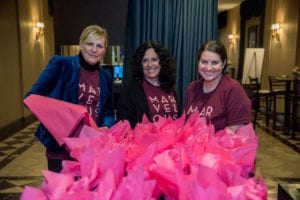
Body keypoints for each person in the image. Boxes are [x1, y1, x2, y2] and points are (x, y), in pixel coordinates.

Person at [24, 25, 115, 172]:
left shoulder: (106, 76)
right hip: (61, 147)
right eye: (90, 44)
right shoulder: (61, 64)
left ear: (104, 50)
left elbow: (109, 111)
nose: (94, 49)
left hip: (91, 146)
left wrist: (106, 125)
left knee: (87, 193)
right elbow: (32, 97)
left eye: (99, 46)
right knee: (60, 192)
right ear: (80, 43)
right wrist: (57, 118)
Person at [184, 40, 251, 133]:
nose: (208, 68)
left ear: (223, 64)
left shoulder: (233, 89)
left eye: (215, 62)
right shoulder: (192, 88)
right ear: (198, 62)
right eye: (204, 62)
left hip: (222, 147)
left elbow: (235, 131)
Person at [117, 40, 181, 128]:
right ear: (140, 64)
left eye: (154, 60)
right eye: (145, 61)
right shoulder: (130, 90)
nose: (150, 64)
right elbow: (123, 124)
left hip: (173, 141)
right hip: (143, 141)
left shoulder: (170, 87)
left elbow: (179, 119)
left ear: (161, 62)